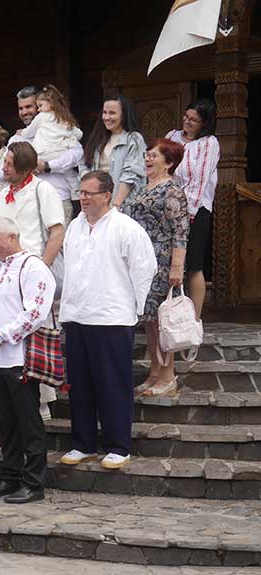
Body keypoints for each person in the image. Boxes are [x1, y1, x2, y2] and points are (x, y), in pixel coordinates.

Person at [59, 171, 157, 471]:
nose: (83, 198)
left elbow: (145, 268)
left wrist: (133, 308)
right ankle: (84, 443)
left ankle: (118, 446)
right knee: (80, 384)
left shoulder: (126, 228)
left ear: (106, 195)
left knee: (113, 383)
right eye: (81, 192)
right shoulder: (75, 227)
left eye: (89, 193)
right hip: (77, 315)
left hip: (111, 317)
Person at [0, 217, 56, 504]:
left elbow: (36, 313)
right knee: (7, 421)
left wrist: (3, 336)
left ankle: (33, 483)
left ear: (12, 237)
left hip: (19, 356)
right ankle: (9, 477)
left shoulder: (33, 267)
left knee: (28, 420)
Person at [0, 141, 66, 421]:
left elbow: (56, 231)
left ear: (23, 167)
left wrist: (42, 269)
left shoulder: (42, 190)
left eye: (9, 163)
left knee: (35, 332)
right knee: (8, 330)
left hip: (32, 267)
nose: (4, 167)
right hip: (6, 272)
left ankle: (41, 401)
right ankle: (10, 396)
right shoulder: (1, 196)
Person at [122, 139, 189, 398]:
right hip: (142, 261)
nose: (148, 159)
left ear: (169, 163)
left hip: (161, 260)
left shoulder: (172, 190)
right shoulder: (143, 186)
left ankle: (167, 374)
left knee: (163, 322)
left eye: (154, 156)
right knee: (149, 320)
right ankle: (154, 372)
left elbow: (180, 232)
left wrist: (177, 267)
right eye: (147, 155)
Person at [166, 98, 219, 321]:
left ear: (204, 124)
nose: (187, 122)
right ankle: (170, 317)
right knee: (169, 264)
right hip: (168, 208)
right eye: (186, 117)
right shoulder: (172, 137)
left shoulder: (209, 143)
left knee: (194, 264)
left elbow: (200, 179)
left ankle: (194, 321)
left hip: (196, 210)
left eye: (194, 120)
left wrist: (188, 212)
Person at [14, 84, 84, 222]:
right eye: (20, 108)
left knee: (59, 241)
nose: (24, 112)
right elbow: (3, 172)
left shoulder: (59, 123)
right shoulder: (17, 138)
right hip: (28, 200)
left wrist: (48, 166)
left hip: (59, 197)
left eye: (29, 107)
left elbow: (77, 154)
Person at [81, 93, 147, 208]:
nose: (106, 117)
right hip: (96, 206)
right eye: (105, 112)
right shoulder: (97, 140)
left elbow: (130, 176)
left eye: (112, 113)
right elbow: (84, 167)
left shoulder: (134, 139)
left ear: (124, 115)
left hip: (122, 207)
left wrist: (115, 206)